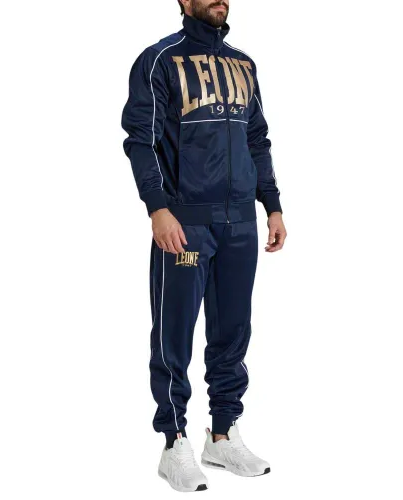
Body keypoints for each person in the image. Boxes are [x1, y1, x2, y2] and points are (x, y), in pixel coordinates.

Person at [121, 0, 287, 492]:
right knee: (174, 332)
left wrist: (272, 205)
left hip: (241, 222)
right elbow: (140, 139)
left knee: (233, 331)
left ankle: (223, 433)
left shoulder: (243, 64)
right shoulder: (159, 59)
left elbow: (258, 139)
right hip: (185, 221)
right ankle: (174, 441)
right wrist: (158, 208)